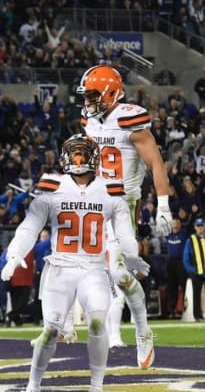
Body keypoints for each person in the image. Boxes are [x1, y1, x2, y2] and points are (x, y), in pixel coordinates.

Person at [0, 134, 141, 392]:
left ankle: (96, 386)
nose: (78, 158)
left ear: (93, 157)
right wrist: (14, 254)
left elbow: (124, 232)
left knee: (98, 322)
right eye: (74, 153)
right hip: (60, 268)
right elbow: (30, 226)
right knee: (50, 331)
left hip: (94, 269)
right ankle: (33, 385)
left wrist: (132, 256)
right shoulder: (53, 187)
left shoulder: (110, 189)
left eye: (83, 153)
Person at [75, 64, 169, 361]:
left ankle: (142, 331)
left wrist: (163, 205)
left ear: (111, 94)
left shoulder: (130, 119)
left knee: (118, 275)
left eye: (93, 95)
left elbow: (156, 163)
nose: (88, 102)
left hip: (122, 206)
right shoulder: (90, 122)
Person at [183, 218, 205, 321]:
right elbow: (186, 257)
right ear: (195, 228)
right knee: (196, 295)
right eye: (198, 226)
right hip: (197, 272)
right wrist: (192, 270)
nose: (200, 228)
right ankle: (197, 315)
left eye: (201, 226)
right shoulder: (191, 240)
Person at [165, 218, 188, 318]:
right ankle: (171, 310)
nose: (175, 225)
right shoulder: (169, 235)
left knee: (184, 286)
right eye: (174, 223)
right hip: (171, 263)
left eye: (177, 223)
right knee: (172, 287)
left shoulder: (183, 234)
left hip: (180, 262)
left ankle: (186, 309)